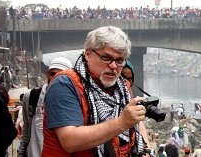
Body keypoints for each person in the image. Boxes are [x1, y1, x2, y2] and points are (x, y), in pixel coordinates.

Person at [42, 26, 150, 157]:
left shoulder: (122, 86)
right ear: (88, 54)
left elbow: (135, 120)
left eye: (119, 60)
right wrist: (121, 123)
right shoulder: (65, 84)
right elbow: (69, 141)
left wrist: (145, 150)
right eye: (106, 58)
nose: (113, 66)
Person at [18, 57, 73, 157]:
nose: (55, 79)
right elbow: (26, 130)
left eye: (61, 75)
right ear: (47, 74)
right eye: (53, 74)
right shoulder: (31, 96)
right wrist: (21, 153)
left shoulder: (73, 102)